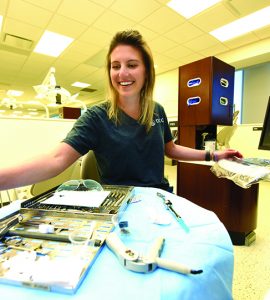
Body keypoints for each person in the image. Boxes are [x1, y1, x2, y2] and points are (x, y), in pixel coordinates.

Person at [0, 30, 242, 192]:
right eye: (115, 66)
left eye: (132, 65)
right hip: (118, 202)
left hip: (158, 197)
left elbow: (171, 149)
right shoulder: (96, 117)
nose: (122, 73)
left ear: (146, 71)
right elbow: (56, 159)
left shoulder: (156, 110)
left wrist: (214, 156)